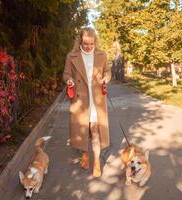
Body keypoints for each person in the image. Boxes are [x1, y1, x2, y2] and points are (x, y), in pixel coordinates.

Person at [63, 27, 111, 177]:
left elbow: (108, 72)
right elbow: (66, 74)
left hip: (97, 99)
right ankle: (85, 153)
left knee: (95, 130)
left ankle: (96, 161)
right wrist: (69, 80)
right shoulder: (72, 56)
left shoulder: (102, 55)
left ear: (95, 41)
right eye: (85, 43)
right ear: (80, 41)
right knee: (84, 128)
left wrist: (106, 78)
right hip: (80, 98)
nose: (89, 46)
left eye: (91, 43)